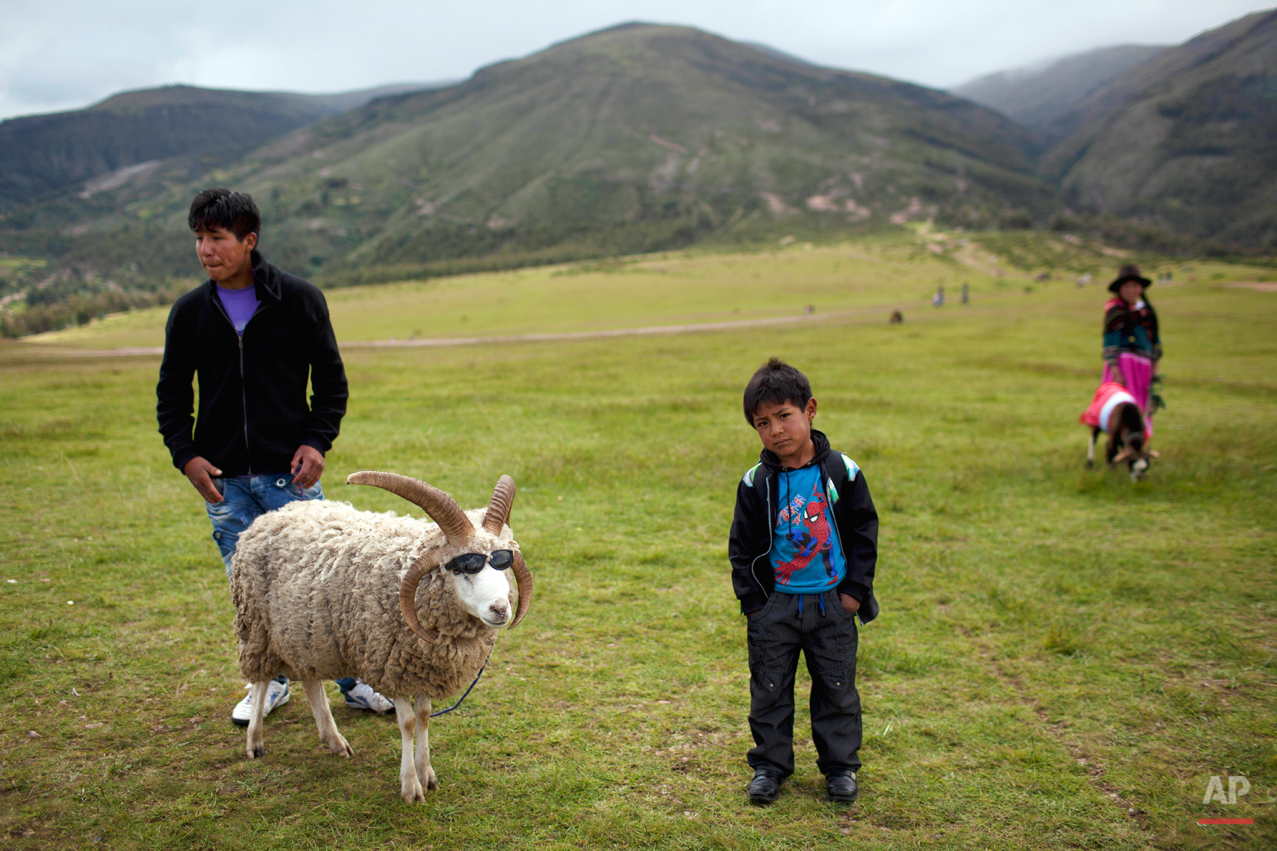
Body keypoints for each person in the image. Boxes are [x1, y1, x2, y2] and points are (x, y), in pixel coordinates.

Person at [156, 188, 392, 726]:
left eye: (216, 238)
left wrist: (316, 441)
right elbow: (172, 395)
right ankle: (270, 683)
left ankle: (358, 683)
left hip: (292, 476)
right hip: (224, 482)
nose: (205, 250)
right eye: (198, 239)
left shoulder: (300, 300)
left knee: (328, 585)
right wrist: (186, 457)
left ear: (248, 240)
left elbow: (331, 384)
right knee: (251, 592)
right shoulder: (189, 313)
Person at [728, 358, 879, 806]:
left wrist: (853, 594)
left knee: (836, 687)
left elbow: (864, 534)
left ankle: (840, 769)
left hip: (832, 604)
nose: (776, 430)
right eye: (762, 422)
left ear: (810, 410)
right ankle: (769, 767)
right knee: (769, 689)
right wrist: (755, 603)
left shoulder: (843, 473)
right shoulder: (755, 483)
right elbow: (741, 547)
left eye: (784, 416)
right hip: (775, 607)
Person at [1102, 264, 1162, 436]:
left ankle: (1138, 444)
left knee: (1143, 403)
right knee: (1122, 405)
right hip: (1123, 366)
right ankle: (1120, 440)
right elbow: (1109, 342)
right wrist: (1115, 370)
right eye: (1126, 286)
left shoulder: (1147, 312)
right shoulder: (1115, 311)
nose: (1130, 290)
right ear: (1119, 289)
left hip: (1143, 367)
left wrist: (1155, 368)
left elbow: (1155, 341)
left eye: (1134, 286)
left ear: (1140, 288)